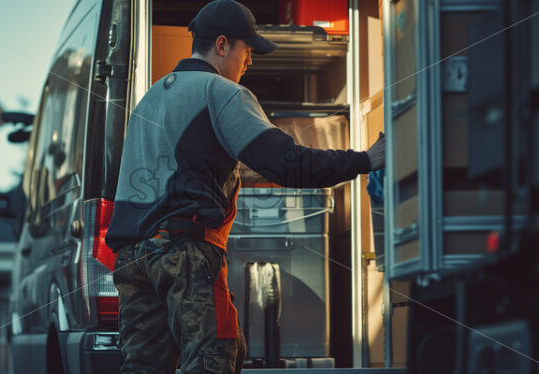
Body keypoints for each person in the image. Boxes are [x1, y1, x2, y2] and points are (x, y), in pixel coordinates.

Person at [105, 0, 385, 372]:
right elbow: (288, 164)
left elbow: (171, 170)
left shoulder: (150, 99)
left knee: (144, 366)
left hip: (133, 259)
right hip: (183, 254)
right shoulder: (220, 92)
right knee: (215, 358)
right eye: (247, 50)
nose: (249, 62)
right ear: (222, 46)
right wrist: (365, 160)